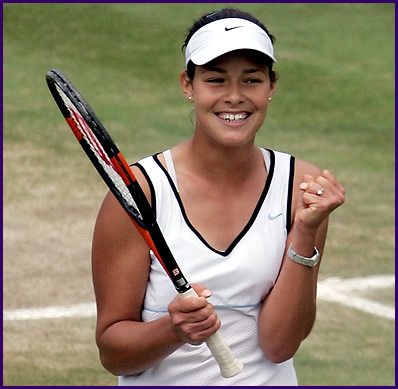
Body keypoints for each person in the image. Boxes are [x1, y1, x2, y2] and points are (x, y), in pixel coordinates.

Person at [91, 7, 345, 386]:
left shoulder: (301, 188)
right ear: (187, 85)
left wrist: (305, 233)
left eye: (251, 80)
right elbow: (114, 354)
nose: (234, 97)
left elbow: (280, 344)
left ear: (271, 87)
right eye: (215, 80)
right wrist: (172, 331)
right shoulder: (139, 193)